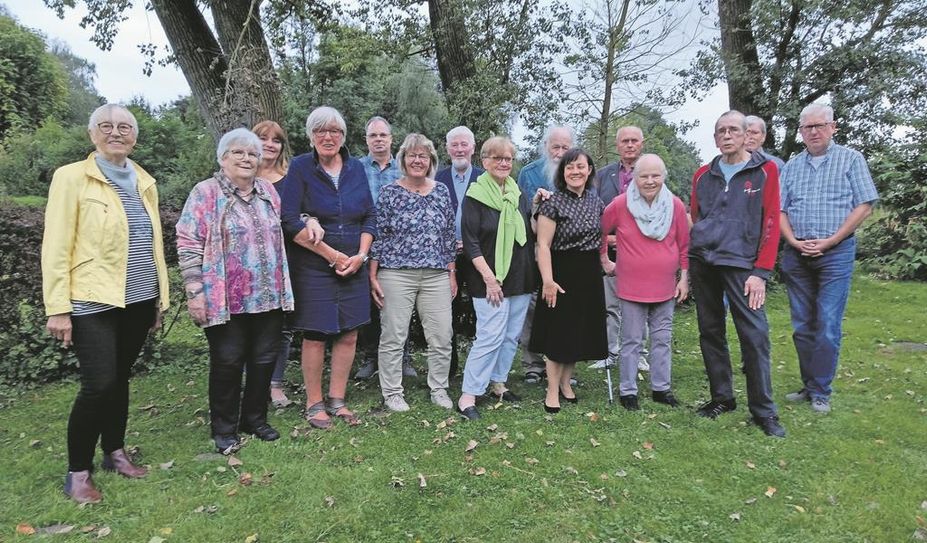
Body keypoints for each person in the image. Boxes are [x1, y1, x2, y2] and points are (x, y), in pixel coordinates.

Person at [43, 103, 169, 504]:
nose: (116, 132)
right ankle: (78, 471)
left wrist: (157, 300)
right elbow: (57, 244)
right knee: (98, 385)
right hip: (92, 299)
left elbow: (152, 245)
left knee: (120, 380)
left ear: (135, 135)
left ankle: (114, 451)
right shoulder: (72, 178)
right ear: (91, 133)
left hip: (137, 297)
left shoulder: (143, 180)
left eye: (125, 127)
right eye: (106, 126)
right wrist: (58, 307)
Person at [177, 128, 293, 454]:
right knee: (228, 361)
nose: (246, 159)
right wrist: (194, 291)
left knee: (264, 359)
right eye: (238, 153)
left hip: (268, 295)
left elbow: (283, 226)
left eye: (252, 154)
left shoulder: (268, 191)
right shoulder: (206, 193)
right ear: (223, 157)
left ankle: (254, 419)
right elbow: (188, 242)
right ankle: (224, 428)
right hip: (226, 298)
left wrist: (309, 219)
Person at [689, 110, 785, 438]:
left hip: (744, 266)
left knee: (754, 336)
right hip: (705, 262)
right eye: (721, 131)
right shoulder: (703, 174)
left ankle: (764, 411)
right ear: (715, 138)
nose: (727, 136)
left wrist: (761, 271)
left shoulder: (765, 171)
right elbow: (696, 216)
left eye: (733, 130)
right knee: (710, 331)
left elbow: (771, 222)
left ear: (747, 135)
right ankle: (722, 397)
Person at [280, 106, 376, 430]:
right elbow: (290, 220)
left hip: (354, 264)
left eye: (334, 131)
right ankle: (313, 402)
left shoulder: (356, 169)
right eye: (320, 130)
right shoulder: (300, 168)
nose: (328, 136)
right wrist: (331, 255)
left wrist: (360, 257)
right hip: (315, 266)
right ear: (311, 136)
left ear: (343, 136)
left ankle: (337, 398)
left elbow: (369, 217)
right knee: (317, 334)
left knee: (349, 334)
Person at [779, 103, 879, 413]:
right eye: (808, 127)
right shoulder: (792, 166)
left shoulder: (850, 159)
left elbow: (865, 204)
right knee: (802, 325)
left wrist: (832, 240)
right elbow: (779, 210)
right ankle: (809, 384)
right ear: (801, 132)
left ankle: (821, 389)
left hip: (836, 253)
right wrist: (794, 241)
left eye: (820, 125)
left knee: (827, 323)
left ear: (833, 127)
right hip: (797, 254)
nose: (814, 132)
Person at [370, 133, 457, 412]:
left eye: (423, 156)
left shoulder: (441, 191)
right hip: (396, 273)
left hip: (435, 274)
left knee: (442, 335)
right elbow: (379, 236)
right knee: (394, 335)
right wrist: (373, 275)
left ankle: (439, 388)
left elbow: (447, 235)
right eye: (412, 155)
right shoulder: (389, 192)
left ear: (430, 160)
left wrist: (452, 272)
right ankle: (393, 392)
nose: (417, 160)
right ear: (403, 160)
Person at [600, 154, 690, 411]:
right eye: (644, 176)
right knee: (631, 340)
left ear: (663, 177)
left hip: (664, 286)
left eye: (655, 175)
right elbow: (601, 231)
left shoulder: (674, 205)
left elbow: (684, 245)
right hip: (631, 286)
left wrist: (684, 278)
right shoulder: (619, 204)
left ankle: (661, 388)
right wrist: (605, 260)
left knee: (662, 338)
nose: (650, 181)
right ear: (634, 178)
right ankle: (628, 391)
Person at [458, 136, 537, 420]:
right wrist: (490, 278)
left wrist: (539, 206)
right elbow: (470, 243)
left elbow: (530, 230)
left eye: (508, 159)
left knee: (510, 336)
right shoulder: (475, 196)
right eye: (497, 158)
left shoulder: (517, 193)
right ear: (485, 161)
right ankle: (469, 394)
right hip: (489, 279)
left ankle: (498, 383)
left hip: (521, 276)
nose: (504, 163)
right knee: (490, 336)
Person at [529, 148, 607, 413]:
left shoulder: (596, 202)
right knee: (558, 334)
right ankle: (551, 390)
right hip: (560, 272)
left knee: (578, 333)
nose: (576, 171)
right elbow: (542, 245)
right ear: (563, 172)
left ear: (589, 170)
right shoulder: (552, 203)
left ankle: (565, 384)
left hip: (588, 274)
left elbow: (602, 238)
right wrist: (548, 281)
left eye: (581, 166)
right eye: (570, 167)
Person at [355, 116, 416, 381]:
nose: (378, 140)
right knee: (369, 304)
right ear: (366, 140)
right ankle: (371, 357)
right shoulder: (355, 169)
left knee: (400, 304)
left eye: (383, 135)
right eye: (373, 136)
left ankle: (403, 357)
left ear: (391, 139)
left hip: (399, 249)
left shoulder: (404, 169)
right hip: (365, 246)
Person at [516, 125, 574, 384]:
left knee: (565, 308)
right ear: (545, 147)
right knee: (532, 307)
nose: (560, 153)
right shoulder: (529, 173)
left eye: (565, 147)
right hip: (535, 251)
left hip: (568, 252)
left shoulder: (578, 171)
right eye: (555, 147)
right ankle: (532, 363)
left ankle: (563, 364)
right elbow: (519, 213)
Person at [591, 125, 649, 372]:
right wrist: (608, 239)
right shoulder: (603, 175)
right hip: (610, 251)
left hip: (644, 253)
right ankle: (610, 352)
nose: (629, 145)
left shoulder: (651, 173)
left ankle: (640, 354)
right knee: (610, 305)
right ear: (617, 146)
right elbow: (595, 211)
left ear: (641, 144)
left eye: (634, 140)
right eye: (624, 141)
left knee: (640, 304)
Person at [252, 120, 300, 409]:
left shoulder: (289, 179)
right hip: (247, 266)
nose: (270, 144)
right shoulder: (238, 176)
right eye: (263, 138)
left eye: (276, 140)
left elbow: (301, 214)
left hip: (284, 261)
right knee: (248, 326)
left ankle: (276, 384)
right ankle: (252, 383)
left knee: (281, 326)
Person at [435, 126, 484, 376]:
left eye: (464, 144)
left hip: (478, 256)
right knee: (447, 312)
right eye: (454, 145)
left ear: (473, 148)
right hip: (446, 256)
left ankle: (479, 367)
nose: (459, 149)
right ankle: (449, 368)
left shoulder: (485, 178)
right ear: (447, 149)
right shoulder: (437, 179)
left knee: (481, 310)